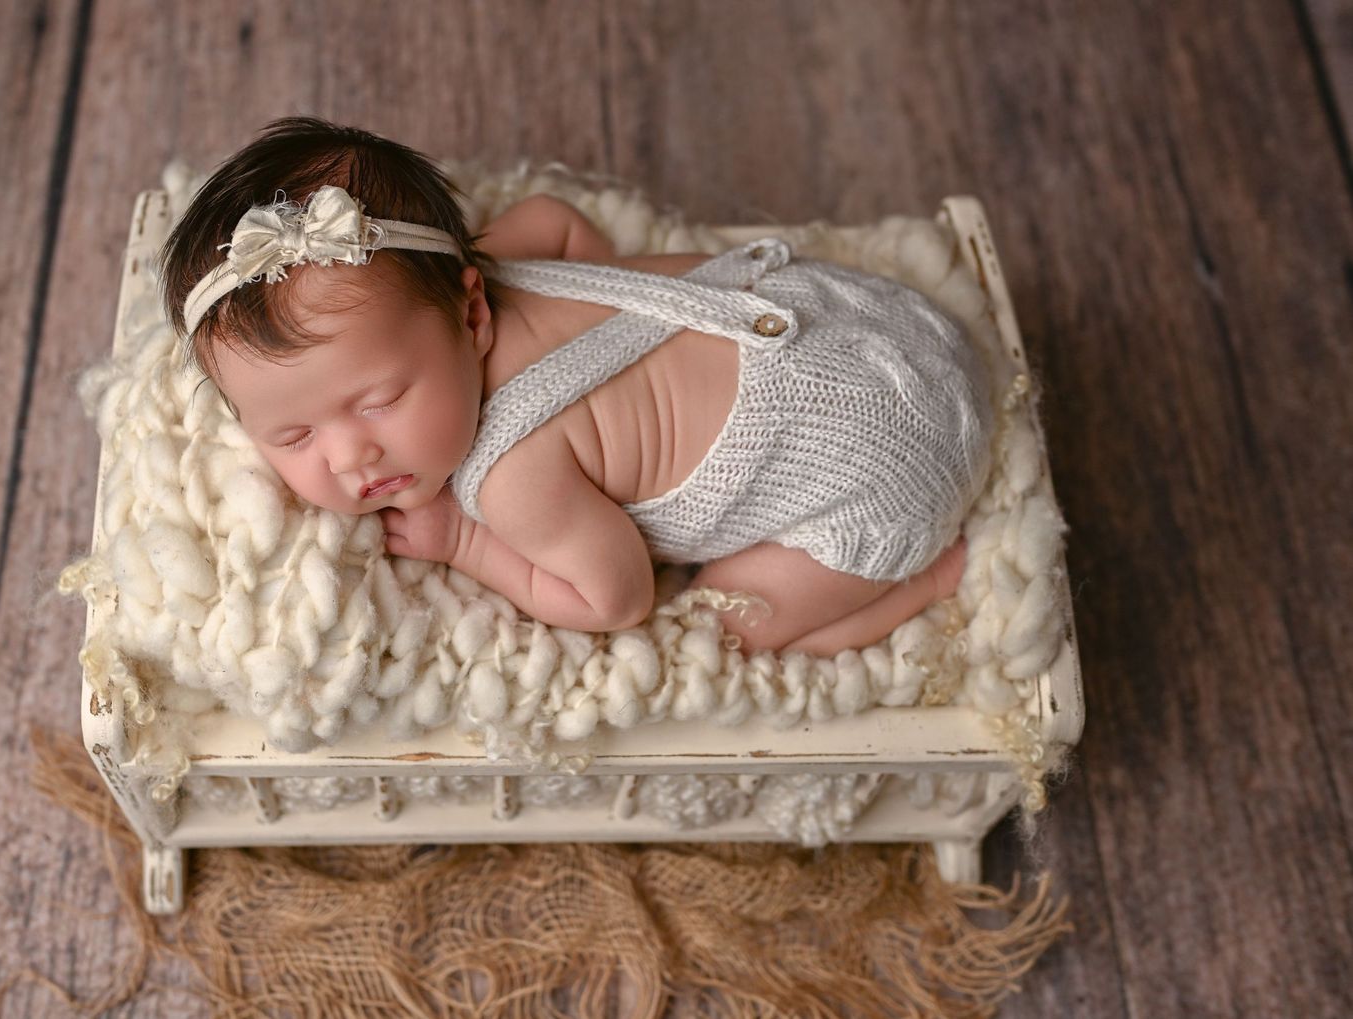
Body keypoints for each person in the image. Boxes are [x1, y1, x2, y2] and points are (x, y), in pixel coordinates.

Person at [161, 117, 992, 656]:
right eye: (292, 437)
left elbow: (619, 596)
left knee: (723, 627)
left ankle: (914, 584)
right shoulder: (516, 253)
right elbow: (558, 213)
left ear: (472, 310)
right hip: (890, 333)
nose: (351, 455)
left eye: (378, 399)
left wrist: (465, 543)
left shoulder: (514, 475)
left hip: (891, 470)